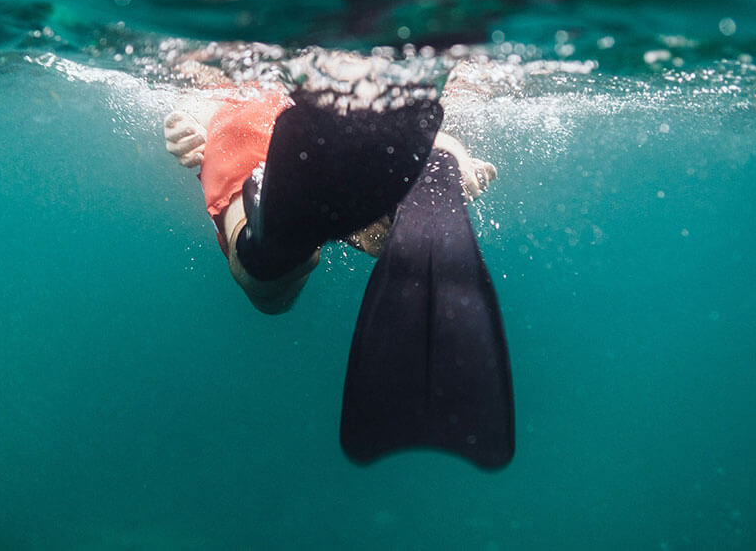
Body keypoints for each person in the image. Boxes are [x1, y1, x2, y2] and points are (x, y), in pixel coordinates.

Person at [163, 51, 515, 469]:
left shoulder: (227, 68)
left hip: (253, 116)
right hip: (368, 113)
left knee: (266, 286)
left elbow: (194, 101)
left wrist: (187, 126)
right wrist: (184, 125)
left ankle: (276, 233)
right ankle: (435, 168)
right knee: (386, 160)